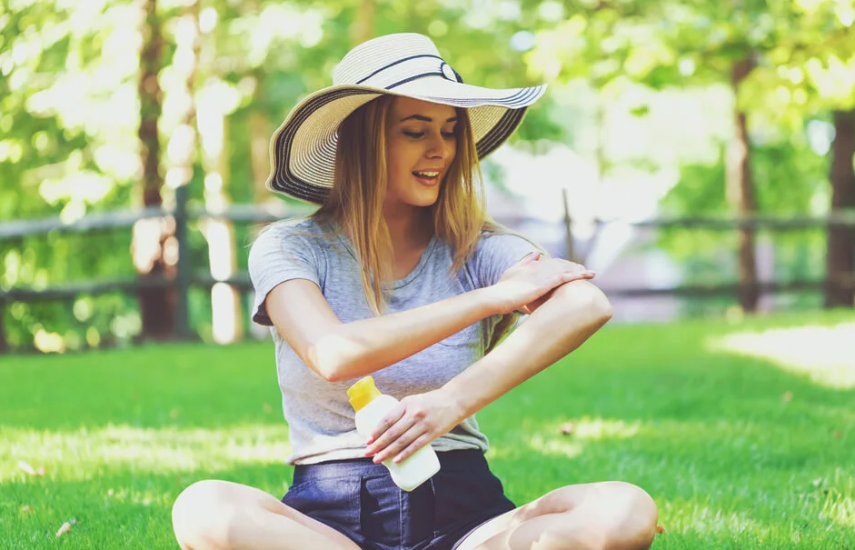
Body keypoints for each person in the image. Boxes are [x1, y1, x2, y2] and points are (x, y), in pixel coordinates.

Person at [171, 33, 658, 550]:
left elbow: (586, 303)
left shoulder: (480, 248)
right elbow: (333, 353)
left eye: (450, 131)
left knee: (624, 510)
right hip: (329, 526)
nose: (440, 150)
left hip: (466, 518)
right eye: (415, 131)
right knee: (203, 508)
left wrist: (449, 404)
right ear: (363, 139)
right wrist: (491, 299)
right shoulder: (290, 247)